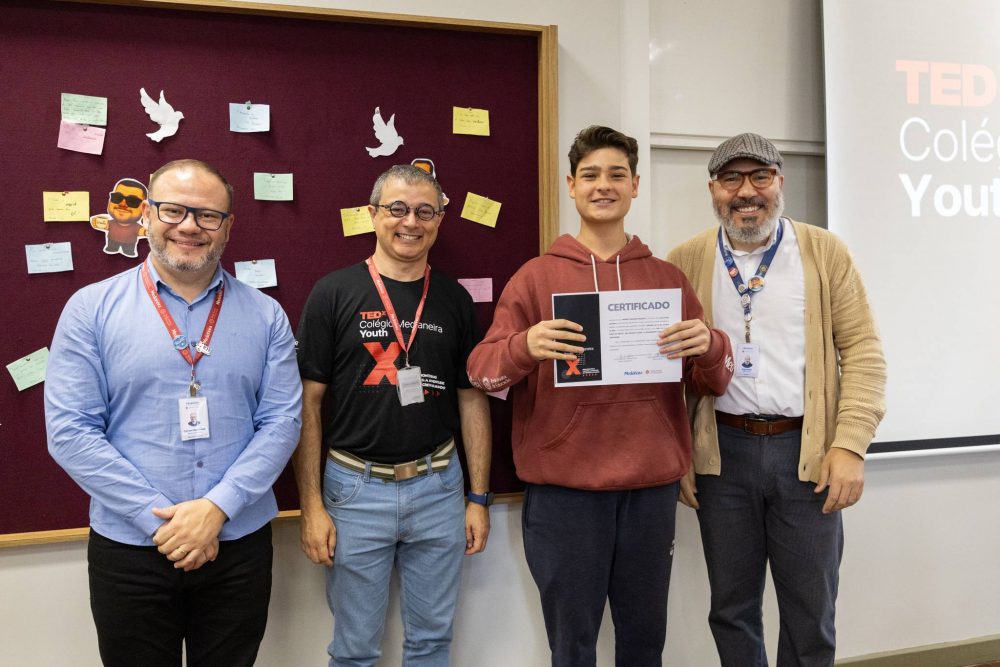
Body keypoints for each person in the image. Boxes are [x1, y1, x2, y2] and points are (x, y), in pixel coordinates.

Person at [466, 125, 734, 667]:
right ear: (571, 186)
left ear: (635, 185)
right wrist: (524, 346)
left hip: (650, 492)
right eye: (590, 175)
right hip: (564, 496)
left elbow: (714, 381)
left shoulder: (666, 279)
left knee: (644, 643)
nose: (603, 185)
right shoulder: (535, 278)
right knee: (572, 646)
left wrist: (710, 345)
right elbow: (482, 372)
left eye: (616, 175)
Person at [45, 159, 302, 667]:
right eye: (173, 210)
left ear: (228, 226)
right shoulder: (89, 309)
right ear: (146, 214)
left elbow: (282, 422)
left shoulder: (266, 314)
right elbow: (71, 432)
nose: (189, 226)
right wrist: (160, 521)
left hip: (237, 544)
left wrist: (217, 508)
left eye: (207, 215)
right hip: (131, 549)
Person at [667, 133, 887, 666]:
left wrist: (850, 446)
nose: (747, 192)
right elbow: (668, 374)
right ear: (713, 189)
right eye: (731, 179)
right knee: (732, 609)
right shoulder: (685, 260)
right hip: (723, 456)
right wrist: (679, 454)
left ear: (779, 182)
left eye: (759, 176)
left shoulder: (824, 252)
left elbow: (864, 352)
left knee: (811, 611)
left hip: (807, 457)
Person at [293, 164, 492, 667]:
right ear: (372, 214)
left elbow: (472, 399)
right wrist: (311, 505)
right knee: (355, 650)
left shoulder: (454, 298)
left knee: (432, 643)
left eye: (425, 211)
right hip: (354, 490)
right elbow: (307, 404)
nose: (411, 222)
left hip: (439, 486)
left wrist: (478, 497)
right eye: (397, 208)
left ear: (440, 219)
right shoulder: (332, 293)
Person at [90, 177, 148, 257]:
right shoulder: (111, 223)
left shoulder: (136, 227)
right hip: (112, 242)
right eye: (117, 198)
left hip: (129, 245)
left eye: (132, 201)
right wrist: (97, 222)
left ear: (144, 208)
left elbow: (142, 231)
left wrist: (148, 232)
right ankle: (111, 248)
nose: (122, 204)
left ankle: (128, 251)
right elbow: (104, 225)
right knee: (111, 247)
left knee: (128, 250)